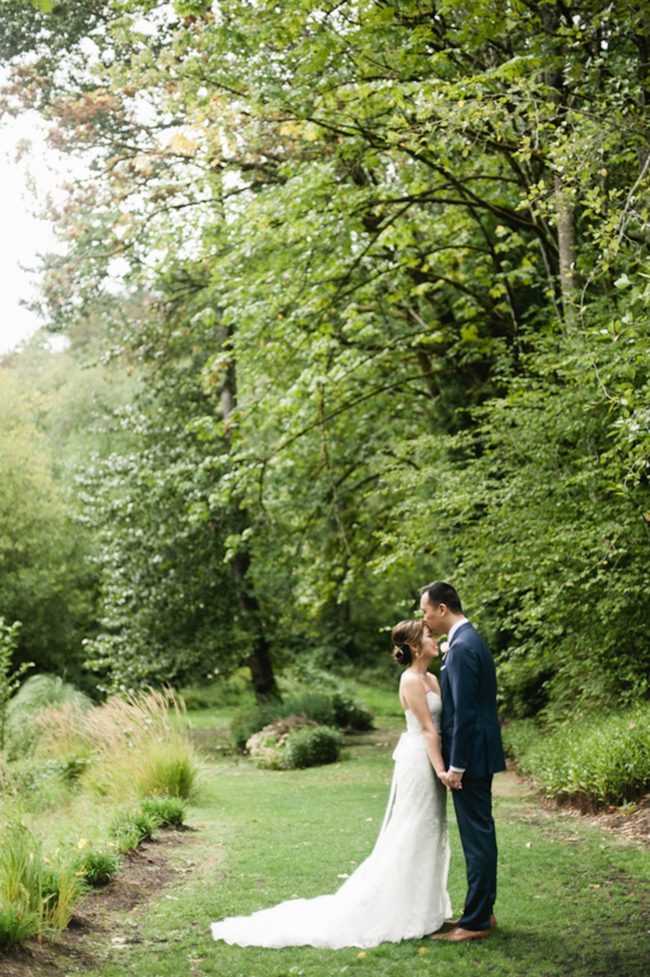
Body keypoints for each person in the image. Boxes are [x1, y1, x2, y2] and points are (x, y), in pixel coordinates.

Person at [210, 619, 452, 948]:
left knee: (430, 829)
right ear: (413, 646)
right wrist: (441, 771)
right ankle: (397, 910)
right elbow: (427, 730)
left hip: (430, 758)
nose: (434, 638)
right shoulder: (410, 681)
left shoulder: (433, 678)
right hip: (420, 763)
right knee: (411, 829)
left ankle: (425, 910)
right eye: (428, 635)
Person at [420, 581, 506, 943]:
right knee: (479, 833)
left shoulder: (462, 647)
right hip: (478, 752)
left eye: (425, 611)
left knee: (477, 837)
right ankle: (481, 911)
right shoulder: (466, 641)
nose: (423, 618)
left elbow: (465, 713)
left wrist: (456, 766)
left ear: (442, 609)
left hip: (470, 756)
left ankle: (475, 923)